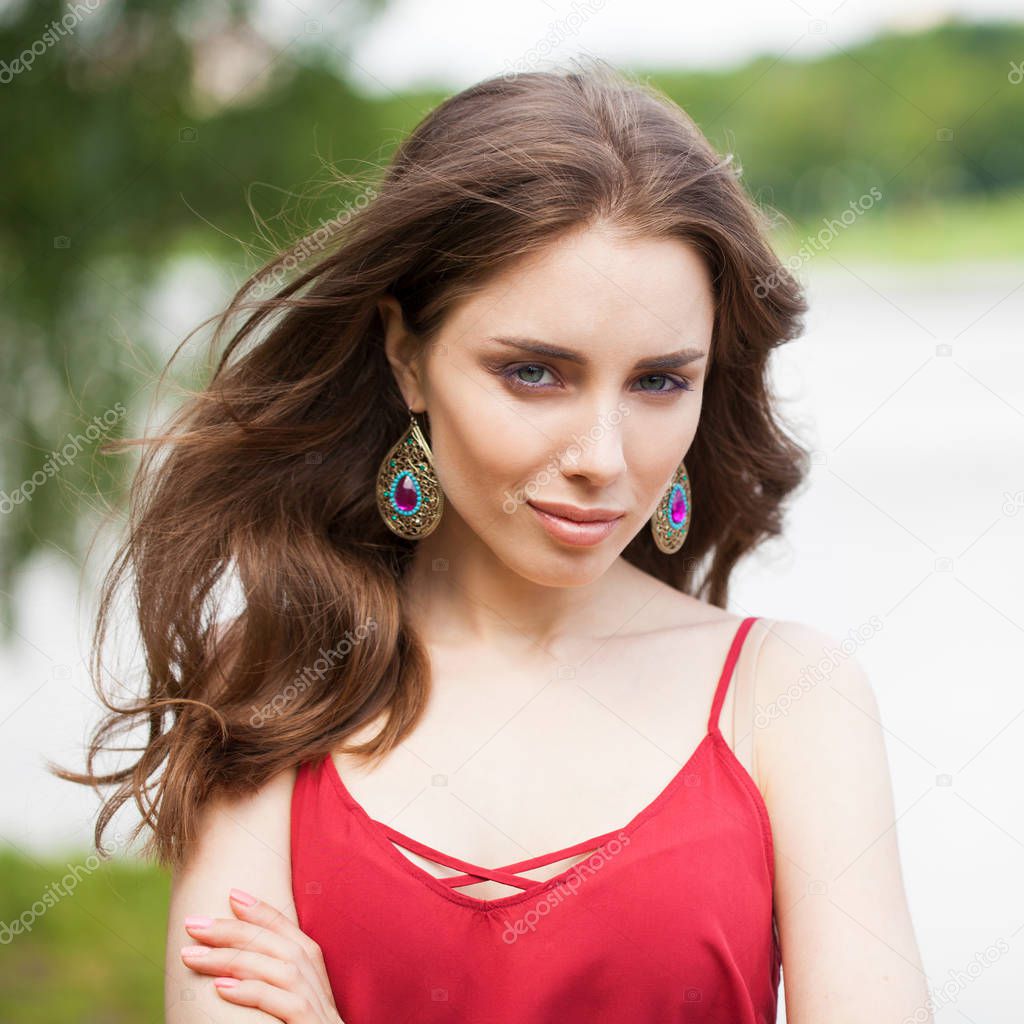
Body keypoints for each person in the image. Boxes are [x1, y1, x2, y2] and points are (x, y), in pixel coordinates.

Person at [57, 59, 930, 1022]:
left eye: (658, 382)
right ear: (407, 357)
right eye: (534, 373)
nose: (603, 457)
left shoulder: (792, 700)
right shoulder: (278, 679)